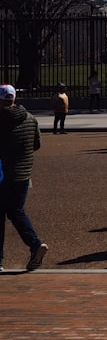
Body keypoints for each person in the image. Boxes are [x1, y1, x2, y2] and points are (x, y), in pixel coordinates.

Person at [0, 84, 50, 271]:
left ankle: (31, 246)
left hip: (3, 173)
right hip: (23, 173)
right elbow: (36, 144)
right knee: (16, 212)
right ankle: (34, 245)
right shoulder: (29, 118)